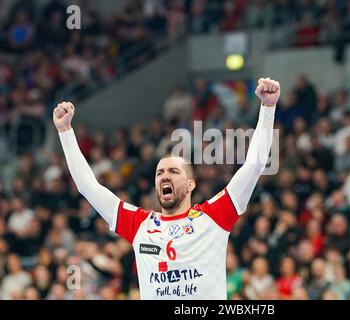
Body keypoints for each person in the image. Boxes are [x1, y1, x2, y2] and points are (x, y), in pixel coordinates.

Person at [53, 77, 280, 300]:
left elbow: (255, 165)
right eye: (160, 173)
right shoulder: (139, 225)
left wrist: (268, 107)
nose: (164, 177)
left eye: (173, 171)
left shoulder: (214, 216)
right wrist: (65, 132)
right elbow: (87, 186)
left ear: (191, 184)